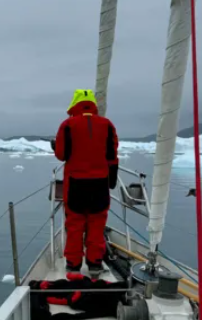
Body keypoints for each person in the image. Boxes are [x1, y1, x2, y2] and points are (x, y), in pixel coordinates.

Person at [51, 89, 119, 274]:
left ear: (75, 104)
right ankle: (95, 264)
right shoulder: (107, 125)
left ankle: (73, 265)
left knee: (74, 225)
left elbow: (61, 154)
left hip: (75, 185)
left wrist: (54, 146)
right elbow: (112, 155)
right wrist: (111, 180)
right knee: (97, 224)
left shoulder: (67, 125)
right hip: (99, 185)